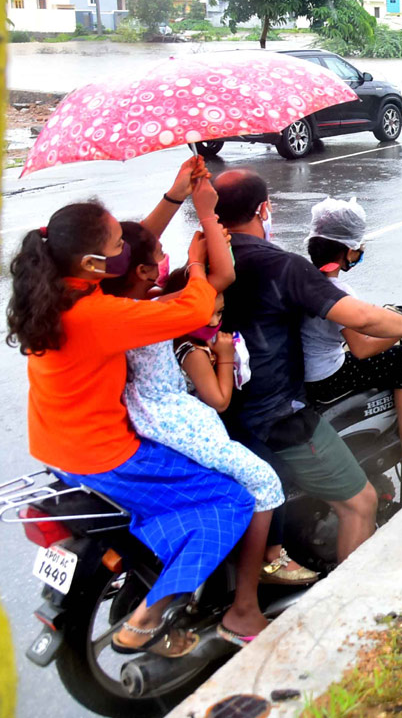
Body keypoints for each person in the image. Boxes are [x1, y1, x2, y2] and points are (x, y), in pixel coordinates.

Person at [8, 196, 254, 658]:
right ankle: (149, 616)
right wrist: (196, 264)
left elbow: (132, 242)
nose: (132, 241)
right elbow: (195, 311)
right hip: (105, 457)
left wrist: (174, 196)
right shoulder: (101, 316)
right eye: (118, 241)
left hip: (56, 447)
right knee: (231, 498)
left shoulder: (56, 291)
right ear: (94, 261)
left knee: (174, 497)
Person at [103, 190, 316, 647]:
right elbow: (221, 277)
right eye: (159, 256)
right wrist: (200, 231)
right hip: (176, 417)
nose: (165, 258)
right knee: (263, 484)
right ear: (143, 273)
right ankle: (245, 605)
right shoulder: (155, 313)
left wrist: (184, 200)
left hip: (148, 416)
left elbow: (160, 263)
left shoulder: (118, 303)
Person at [213, 170, 402, 564]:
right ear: (264, 209)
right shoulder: (282, 268)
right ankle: (347, 598)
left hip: (224, 405)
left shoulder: (204, 264)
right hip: (280, 411)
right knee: (361, 502)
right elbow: (363, 325)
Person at [300, 197, 402, 466]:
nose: (360, 251)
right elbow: (362, 348)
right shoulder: (337, 292)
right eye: (359, 246)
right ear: (347, 250)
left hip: (303, 372)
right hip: (326, 377)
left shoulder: (302, 276)